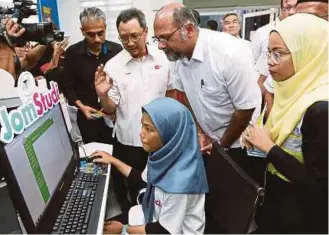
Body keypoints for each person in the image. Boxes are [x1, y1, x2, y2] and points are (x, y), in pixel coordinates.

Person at [242, 14, 328, 233]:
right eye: (269, 53)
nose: (270, 61)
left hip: (304, 217)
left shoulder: (321, 108)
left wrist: (268, 148)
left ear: (307, 54)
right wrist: (256, 140)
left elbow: (319, 184)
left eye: (279, 54)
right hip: (278, 206)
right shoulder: (289, 87)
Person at [94, 8, 174, 212]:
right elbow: (110, 107)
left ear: (146, 32)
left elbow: (172, 95)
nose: (129, 43)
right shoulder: (113, 66)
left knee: (164, 191)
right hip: (129, 143)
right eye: (123, 38)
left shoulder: (164, 59)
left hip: (161, 140)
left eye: (134, 36)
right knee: (137, 193)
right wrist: (103, 94)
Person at [92, 97, 208, 234]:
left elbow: (164, 231)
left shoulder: (180, 183)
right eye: (142, 125)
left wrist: (124, 230)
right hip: (155, 217)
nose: (141, 134)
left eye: (149, 129)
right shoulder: (164, 153)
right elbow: (143, 179)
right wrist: (113, 160)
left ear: (169, 133)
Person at [61, 7, 122, 144]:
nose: (97, 39)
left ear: (106, 27)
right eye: (90, 34)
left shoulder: (117, 51)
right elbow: (67, 86)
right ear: (82, 31)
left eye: (101, 33)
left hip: (115, 117)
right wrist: (81, 106)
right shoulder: (72, 53)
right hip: (88, 116)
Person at [252, 0, 297, 119]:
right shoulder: (264, 33)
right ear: (283, 6)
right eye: (289, 7)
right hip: (273, 106)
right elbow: (261, 77)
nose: (292, 12)